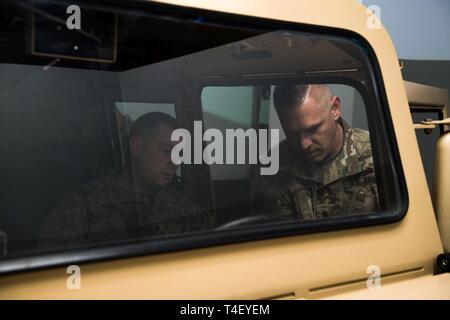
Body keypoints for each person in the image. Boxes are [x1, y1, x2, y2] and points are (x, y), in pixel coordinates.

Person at [39, 112, 214, 249]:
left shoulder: (185, 209)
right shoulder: (81, 207)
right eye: (167, 150)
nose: (174, 162)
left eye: (179, 154)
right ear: (136, 146)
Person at [253, 84, 379, 220]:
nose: (304, 144)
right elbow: (277, 235)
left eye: (313, 129)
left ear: (335, 108)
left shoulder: (378, 153)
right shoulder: (273, 167)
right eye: (292, 133)